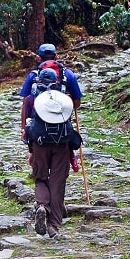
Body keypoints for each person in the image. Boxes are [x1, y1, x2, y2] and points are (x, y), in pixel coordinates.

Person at [19, 43, 83, 238]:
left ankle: (42, 206)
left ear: (39, 58)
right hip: (62, 140)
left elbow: (26, 104)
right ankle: (54, 225)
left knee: (40, 177)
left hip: (38, 140)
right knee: (58, 181)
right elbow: (77, 104)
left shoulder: (32, 77)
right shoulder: (68, 76)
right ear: (56, 56)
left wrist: (25, 133)